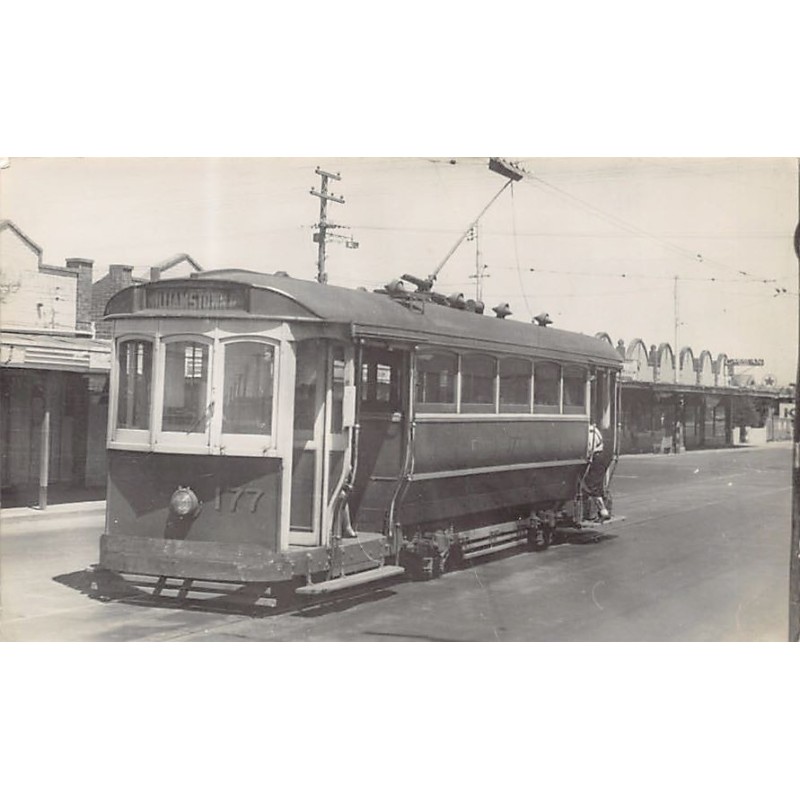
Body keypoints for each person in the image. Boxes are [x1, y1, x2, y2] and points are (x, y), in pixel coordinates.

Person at [586, 423, 611, 520]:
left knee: (592, 486)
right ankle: (600, 510)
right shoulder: (595, 430)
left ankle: (603, 511)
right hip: (602, 456)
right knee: (598, 484)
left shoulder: (588, 433)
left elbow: (589, 449)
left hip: (597, 458)